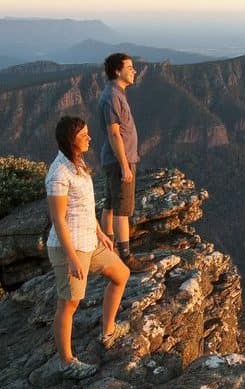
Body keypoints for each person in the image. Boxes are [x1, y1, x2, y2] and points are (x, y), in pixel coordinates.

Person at [45, 116, 130, 380]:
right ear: (72, 140)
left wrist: (98, 232)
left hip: (89, 242)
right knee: (69, 304)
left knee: (121, 275)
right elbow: (58, 218)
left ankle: (108, 332)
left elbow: (83, 205)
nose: (90, 138)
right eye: (84, 135)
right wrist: (71, 257)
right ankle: (67, 362)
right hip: (69, 248)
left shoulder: (78, 164)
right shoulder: (58, 173)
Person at [97, 52, 148, 271]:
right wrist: (125, 165)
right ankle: (125, 257)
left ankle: (107, 249)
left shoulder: (116, 94)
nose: (134, 70)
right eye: (130, 67)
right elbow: (114, 134)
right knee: (122, 209)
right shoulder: (113, 97)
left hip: (115, 159)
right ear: (118, 71)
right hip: (119, 161)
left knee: (109, 204)